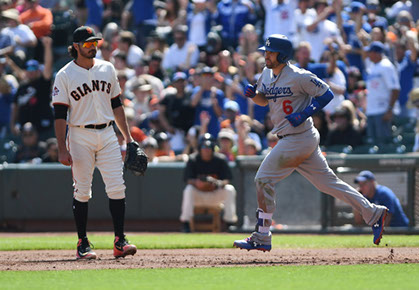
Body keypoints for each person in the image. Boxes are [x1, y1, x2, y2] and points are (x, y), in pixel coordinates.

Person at [233, 34, 388, 252]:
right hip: (295, 139)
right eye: (265, 51)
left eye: (270, 52)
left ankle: (262, 235)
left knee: (263, 179)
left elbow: (327, 94)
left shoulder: (299, 76)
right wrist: (253, 96)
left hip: (299, 138)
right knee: (328, 184)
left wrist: (305, 112)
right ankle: (373, 213)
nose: (266, 55)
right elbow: (263, 99)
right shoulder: (266, 74)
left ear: (283, 55)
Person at [52, 26, 137, 260]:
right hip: (79, 135)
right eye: (88, 43)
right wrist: (62, 148)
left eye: (95, 43)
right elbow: (60, 115)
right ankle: (83, 242)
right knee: (82, 190)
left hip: (108, 133)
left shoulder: (107, 68)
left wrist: (128, 138)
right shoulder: (65, 75)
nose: (93, 47)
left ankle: (120, 241)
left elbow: (117, 105)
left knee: (117, 187)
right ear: (76, 46)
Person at [180, 133, 238, 232]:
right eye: (203, 147)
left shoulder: (220, 159)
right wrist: (196, 183)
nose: (206, 150)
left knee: (229, 189)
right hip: (198, 195)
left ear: (212, 148)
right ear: (199, 148)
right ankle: (186, 223)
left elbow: (227, 179)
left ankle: (230, 223)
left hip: (214, 194)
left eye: (208, 147)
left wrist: (216, 183)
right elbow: (187, 179)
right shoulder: (193, 159)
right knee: (188, 189)